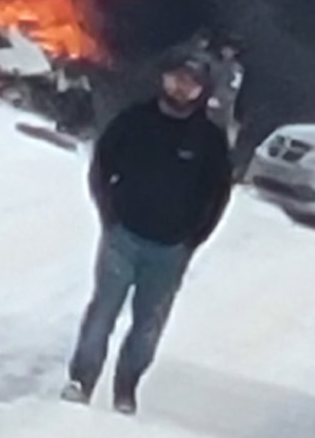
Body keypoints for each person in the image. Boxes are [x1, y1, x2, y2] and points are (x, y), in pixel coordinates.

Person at [62, 48, 234, 414]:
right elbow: (101, 166)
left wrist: (193, 238)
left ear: (201, 90)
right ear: (164, 78)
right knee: (102, 311)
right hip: (123, 238)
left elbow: (218, 194)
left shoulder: (209, 140)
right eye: (177, 78)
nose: (181, 87)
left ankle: (126, 390)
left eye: (191, 83)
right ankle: (82, 380)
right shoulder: (134, 121)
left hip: (171, 249)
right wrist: (110, 215)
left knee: (148, 325)